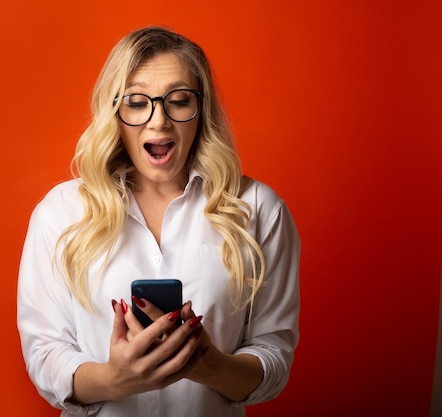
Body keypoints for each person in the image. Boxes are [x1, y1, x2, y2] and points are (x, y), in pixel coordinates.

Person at [17, 26, 300, 417]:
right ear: (114, 111)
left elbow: (273, 359)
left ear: (201, 111)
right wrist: (115, 378)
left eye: (179, 100)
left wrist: (208, 365)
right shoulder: (61, 214)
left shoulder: (258, 210)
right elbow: (45, 353)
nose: (159, 121)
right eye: (137, 102)